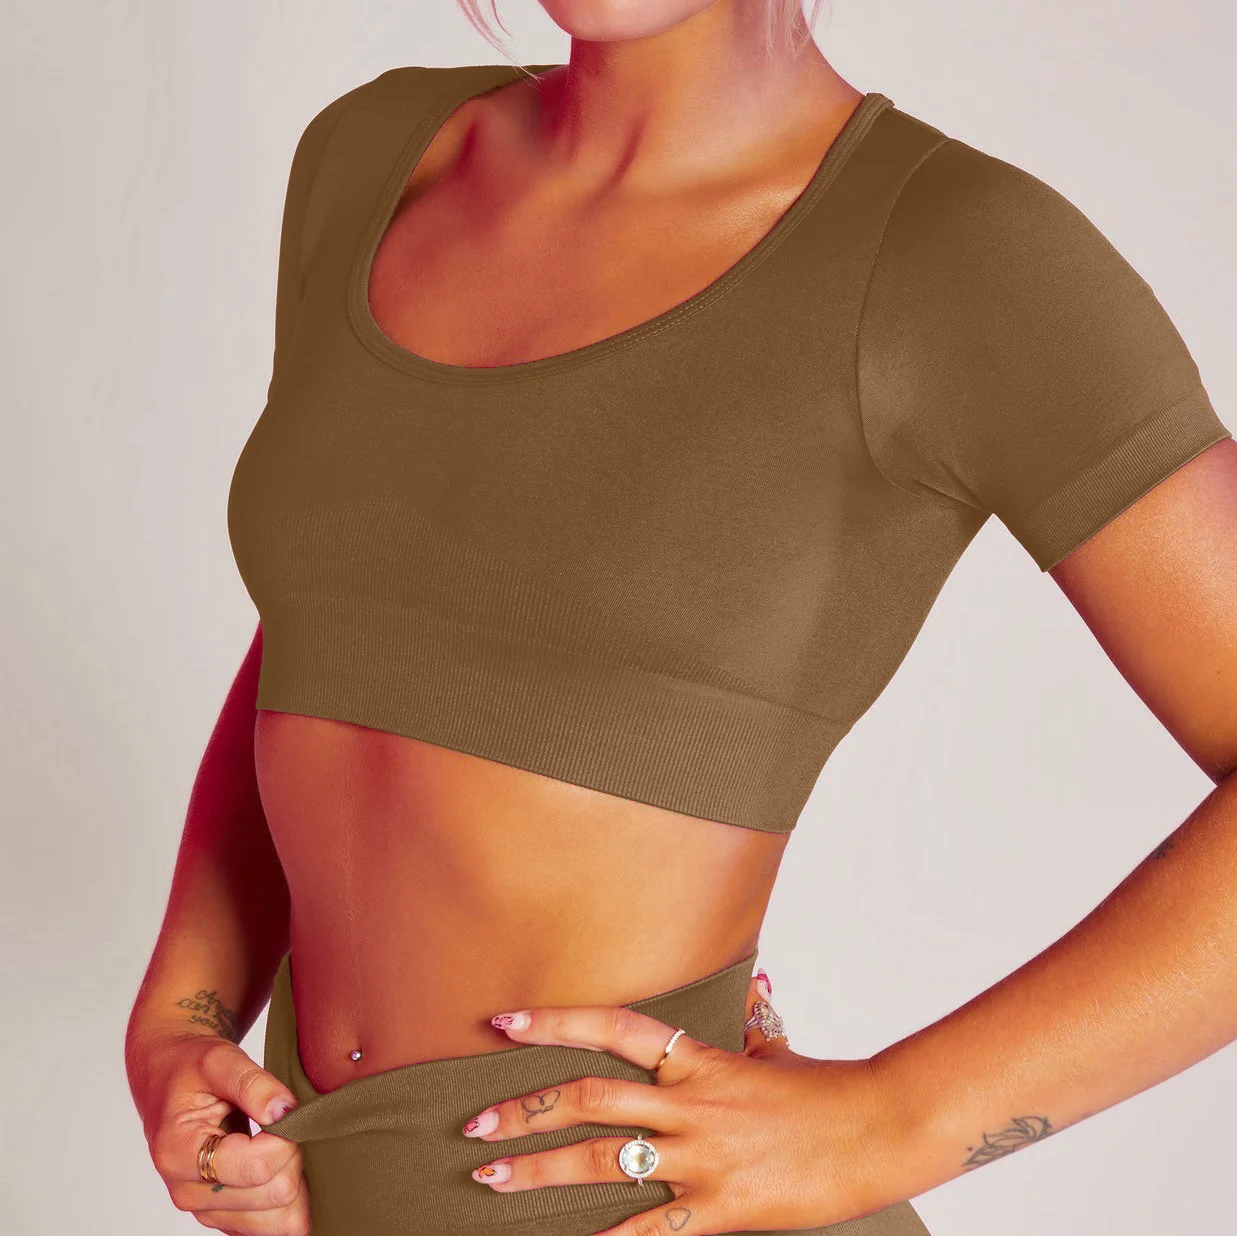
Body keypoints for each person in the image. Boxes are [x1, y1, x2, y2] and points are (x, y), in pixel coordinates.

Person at [124, 2, 1237, 1234]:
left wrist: (888, 1122)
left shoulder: (957, 255)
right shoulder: (377, 152)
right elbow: (325, 630)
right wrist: (179, 1017)